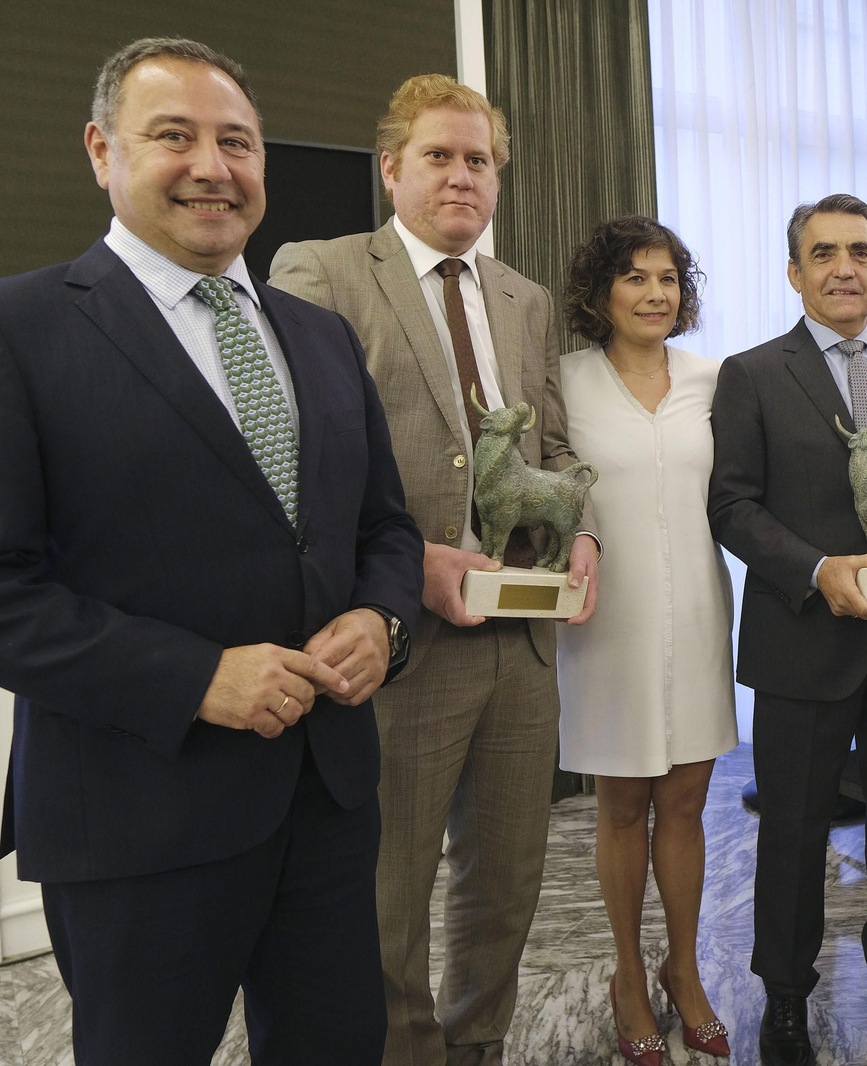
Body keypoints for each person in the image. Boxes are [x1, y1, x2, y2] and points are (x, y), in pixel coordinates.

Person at [0, 37, 423, 1065]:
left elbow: (385, 526)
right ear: (102, 151)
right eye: (174, 136)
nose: (213, 165)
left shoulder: (319, 335)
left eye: (237, 141)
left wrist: (382, 620)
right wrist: (198, 677)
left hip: (326, 803)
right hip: (137, 817)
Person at [268, 75, 600, 1066]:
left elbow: (556, 444)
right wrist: (411, 564)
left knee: (508, 875)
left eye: (480, 160)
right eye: (441, 156)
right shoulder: (320, 273)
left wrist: (586, 538)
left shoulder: (525, 300)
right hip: (404, 639)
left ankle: (479, 1041)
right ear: (391, 169)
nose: (463, 176)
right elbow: (293, 459)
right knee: (390, 887)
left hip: (521, 640)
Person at [708, 193, 867, 1066]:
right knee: (792, 832)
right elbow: (732, 505)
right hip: (802, 642)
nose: (844, 268)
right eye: (824, 254)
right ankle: (786, 996)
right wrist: (819, 573)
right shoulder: (751, 373)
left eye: (859, 252)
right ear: (795, 272)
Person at [556, 216, 738, 1065]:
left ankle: (684, 969)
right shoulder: (563, 382)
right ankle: (630, 974)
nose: (655, 293)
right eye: (635, 277)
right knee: (622, 807)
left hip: (699, 611)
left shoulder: (713, 380)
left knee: (690, 806)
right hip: (607, 622)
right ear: (600, 294)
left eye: (668, 278)